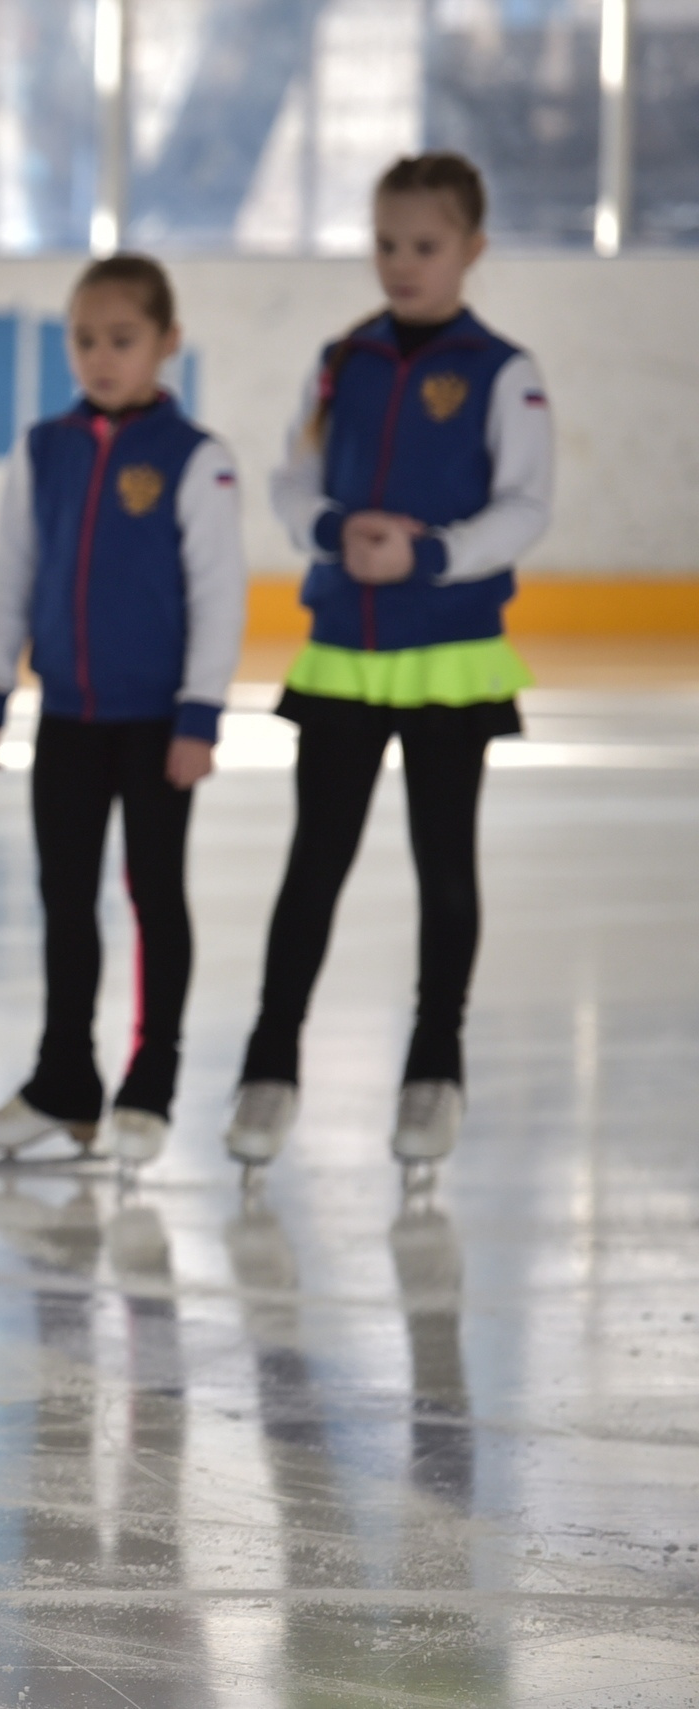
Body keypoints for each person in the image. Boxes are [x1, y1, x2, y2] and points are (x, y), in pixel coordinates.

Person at [226, 152, 549, 1179]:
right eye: (384, 243)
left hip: (449, 655)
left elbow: (528, 506)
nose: (401, 264)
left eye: (424, 245)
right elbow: (291, 475)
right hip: (345, 654)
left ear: (470, 250)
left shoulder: (504, 372)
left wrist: (434, 551)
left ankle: (433, 1065)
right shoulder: (340, 361)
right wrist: (330, 526)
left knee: (442, 866)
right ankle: (269, 1063)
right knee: (312, 864)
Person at [0, 254, 246, 1173]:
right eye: (85, 339)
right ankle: (64, 1080)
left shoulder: (195, 460)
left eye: (122, 340)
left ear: (168, 343)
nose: (101, 357)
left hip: (159, 722)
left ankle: (151, 1082)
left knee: (154, 896)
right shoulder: (45, 449)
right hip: (72, 717)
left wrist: (201, 714)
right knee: (64, 898)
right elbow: (12, 573)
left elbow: (220, 593)